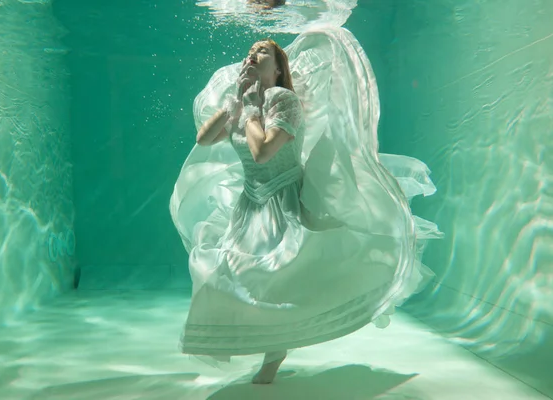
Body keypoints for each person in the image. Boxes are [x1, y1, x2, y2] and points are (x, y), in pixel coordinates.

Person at [170, 27, 442, 385]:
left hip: (284, 200)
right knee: (231, 274)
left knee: (277, 276)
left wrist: (250, 111)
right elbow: (203, 139)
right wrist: (234, 103)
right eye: (250, 49)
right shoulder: (245, 103)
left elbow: (264, 152)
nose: (252, 53)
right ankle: (267, 341)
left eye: (262, 50)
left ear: (279, 67)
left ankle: (275, 351)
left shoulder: (285, 101)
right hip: (249, 204)